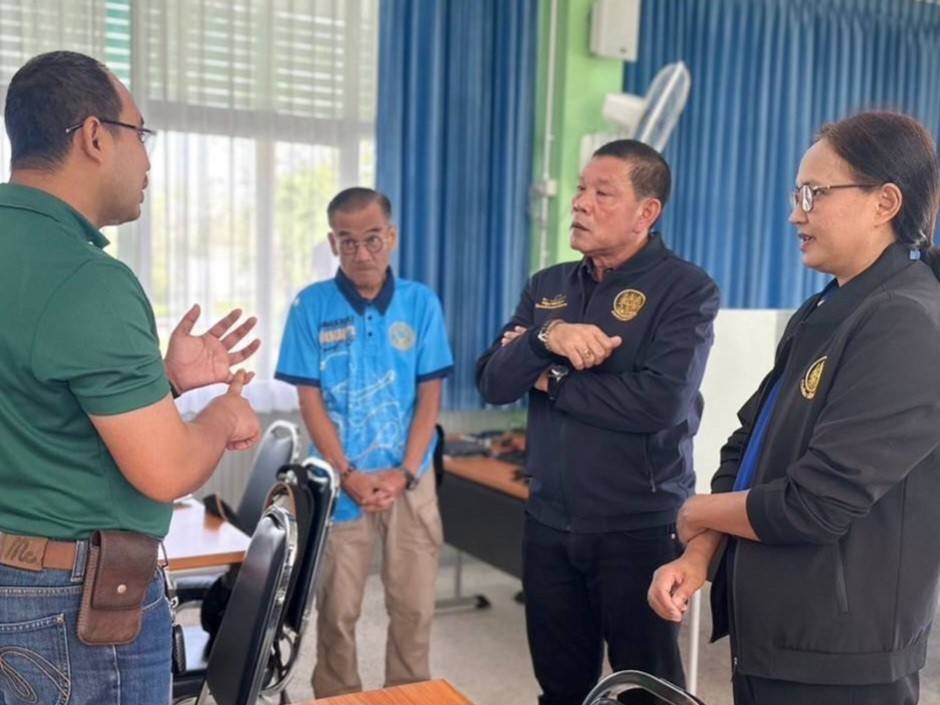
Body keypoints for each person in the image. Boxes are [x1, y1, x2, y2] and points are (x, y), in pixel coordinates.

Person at [648, 111, 940, 705]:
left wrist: (697, 509)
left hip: (840, 659)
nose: (795, 215)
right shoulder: (825, 309)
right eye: (796, 194)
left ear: (885, 202)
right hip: (775, 635)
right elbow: (748, 445)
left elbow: (817, 504)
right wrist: (701, 550)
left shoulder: (906, 321)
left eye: (814, 194)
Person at [0, 51, 262, 705]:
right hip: (70, 609)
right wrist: (223, 415)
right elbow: (166, 470)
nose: (147, 161)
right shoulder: (86, 279)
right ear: (94, 136)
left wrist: (164, 384)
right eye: (140, 135)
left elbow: (33, 406)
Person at [476, 139, 720, 705]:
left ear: (646, 212)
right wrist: (547, 337)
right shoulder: (549, 287)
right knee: (560, 685)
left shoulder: (686, 289)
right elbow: (492, 380)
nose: (580, 202)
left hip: (637, 526)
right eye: (581, 188)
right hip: (548, 521)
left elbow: (657, 403)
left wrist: (551, 380)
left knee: (645, 688)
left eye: (602, 193)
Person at [275, 187, 453, 697]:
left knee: (414, 611)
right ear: (333, 243)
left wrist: (406, 472)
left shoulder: (420, 304)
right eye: (347, 241)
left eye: (372, 239)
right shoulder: (310, 306)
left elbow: (430, 399)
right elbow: (310, 402)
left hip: (410, 480)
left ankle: (408, 695)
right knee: (337, 614)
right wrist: (348, 473)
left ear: (390, 237)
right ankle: (339, 697)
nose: (361, 253)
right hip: (339, 485)